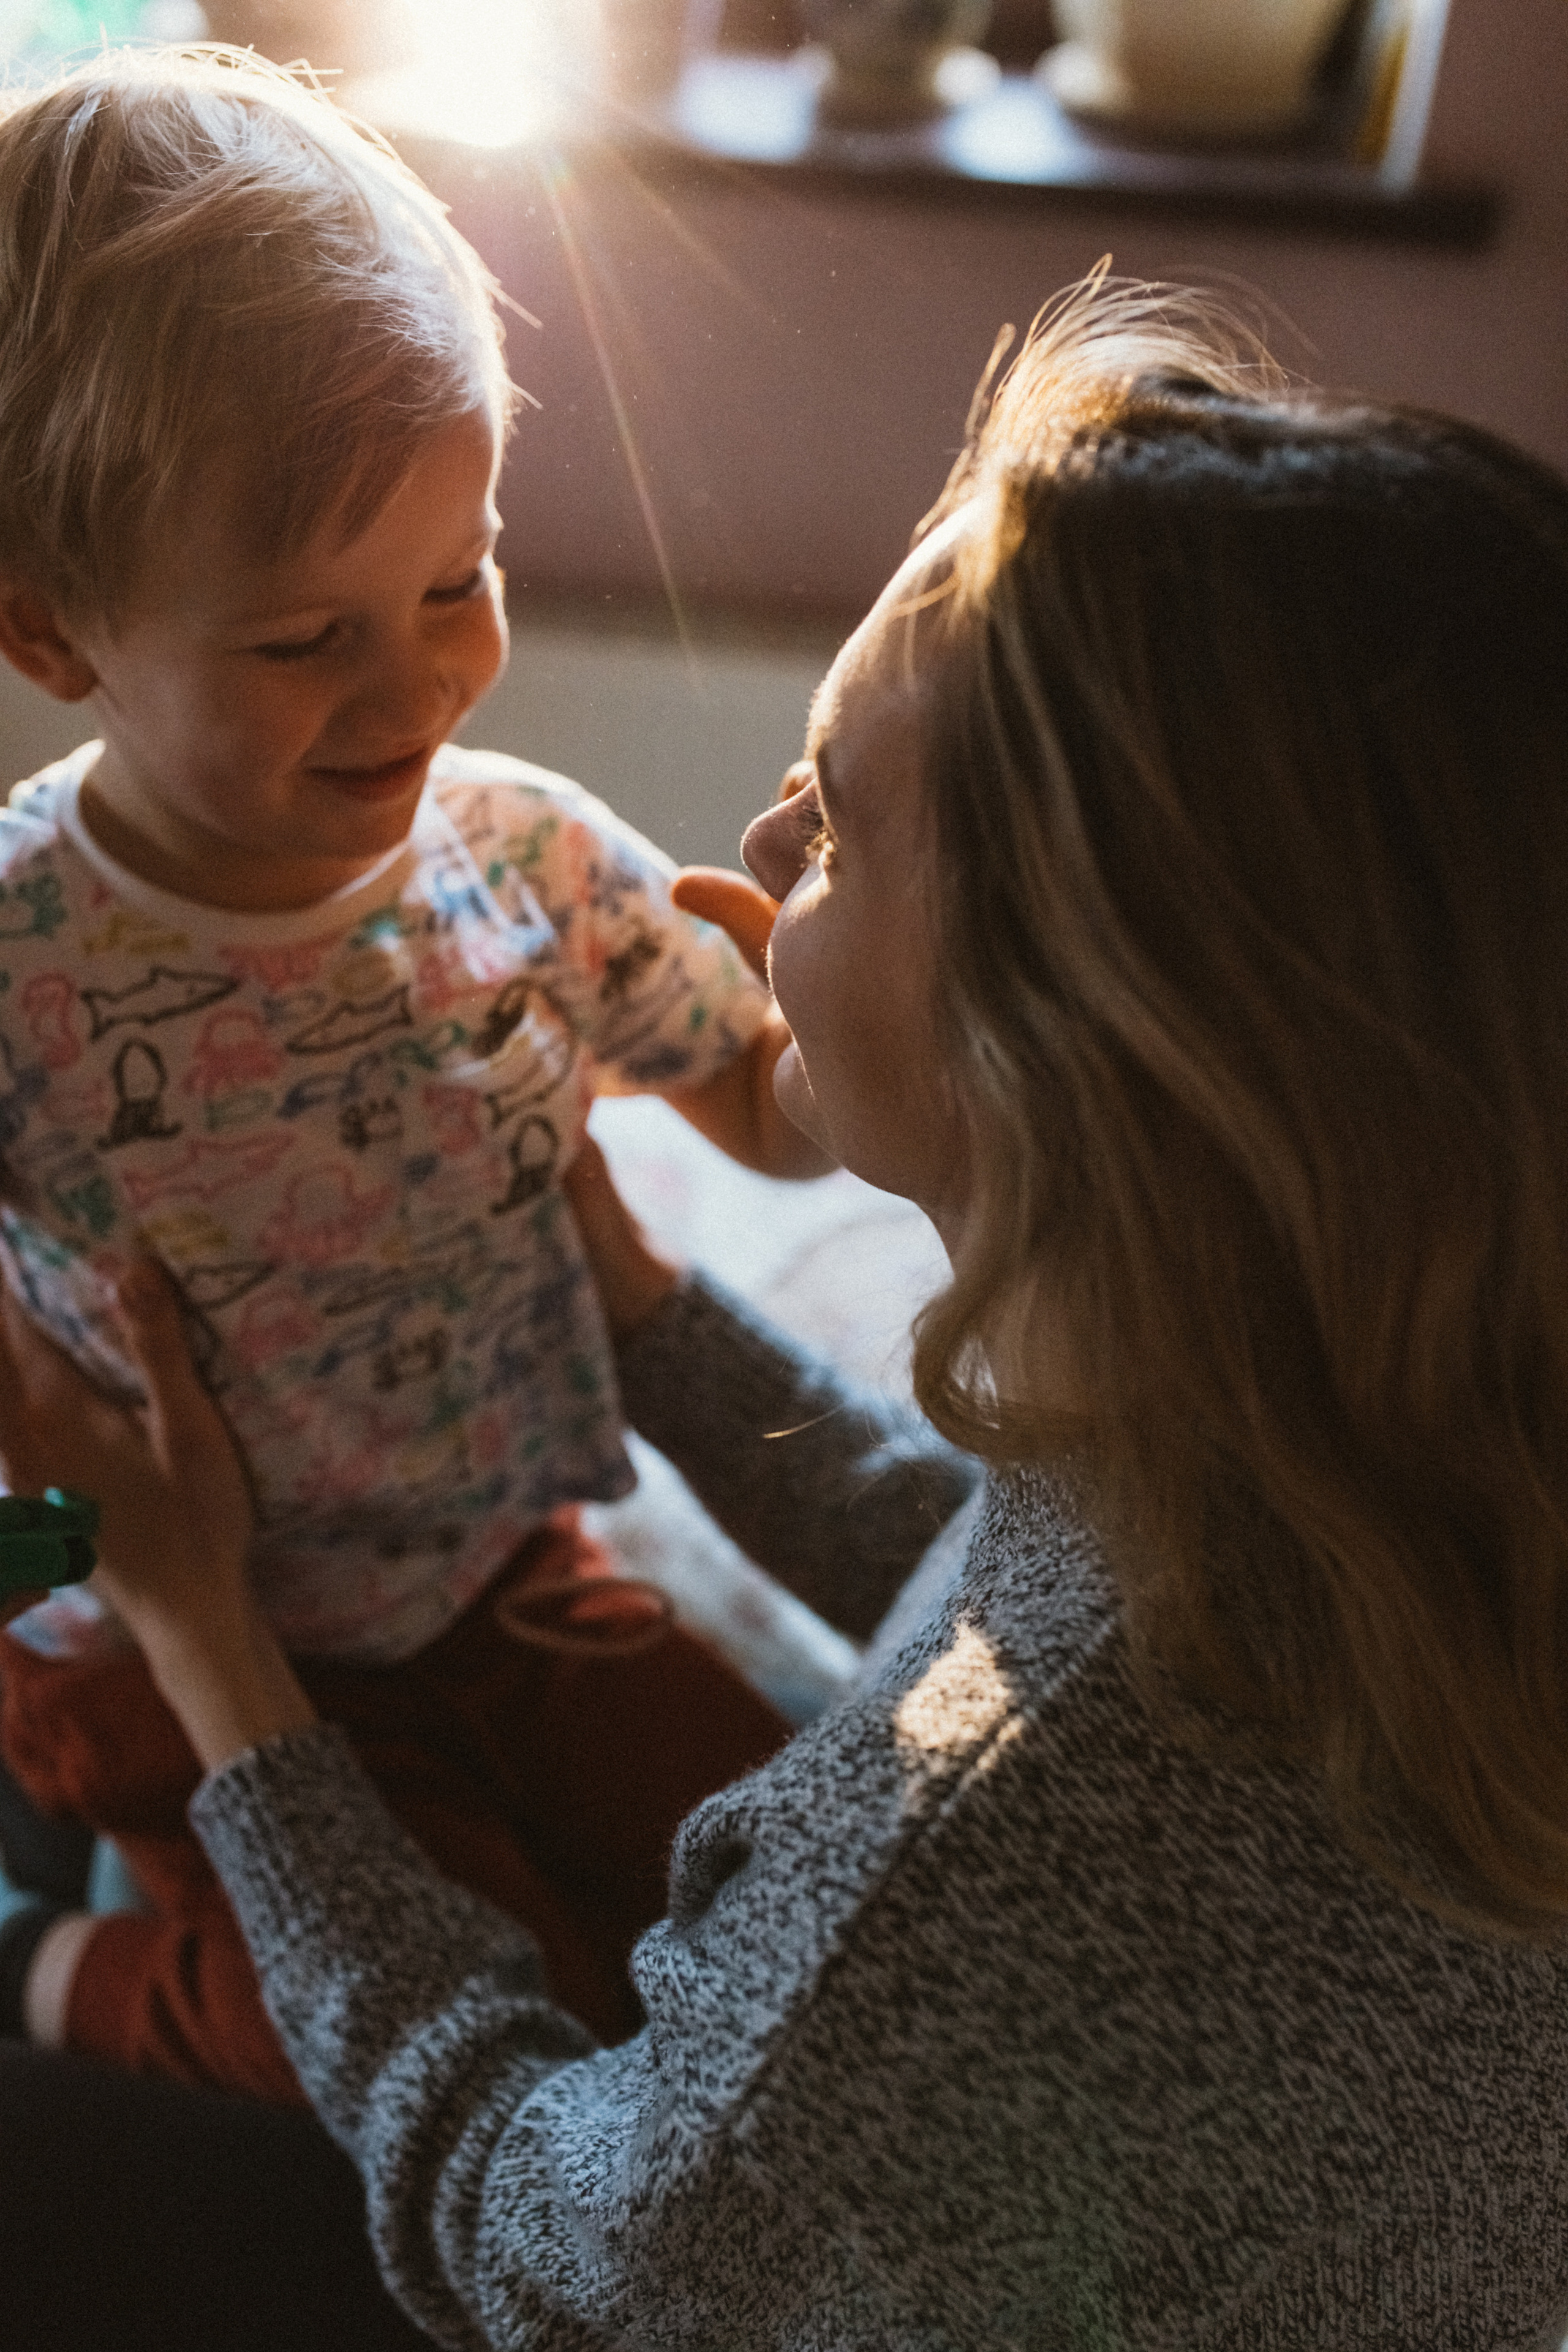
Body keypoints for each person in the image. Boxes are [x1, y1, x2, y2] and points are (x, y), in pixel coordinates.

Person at [6, 274, 1568, 2348]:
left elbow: (546, 2239)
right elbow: (988, 1614)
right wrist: (640, 1309)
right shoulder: (1401, 1414)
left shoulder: (930, 1900)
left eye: (832, 822)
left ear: (1086, 1023)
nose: (747, 845)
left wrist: (212, 1641)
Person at [0, 47, 826, 2101]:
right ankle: (48, 1970)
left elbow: (776, 1119)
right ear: (49, 631)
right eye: (303, 641)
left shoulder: (527, 855)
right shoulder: (18, 957)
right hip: (176, 1655)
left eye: (458, 582)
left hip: (505, 1571)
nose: (425, 681)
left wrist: (907, 991)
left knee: (808, 1904)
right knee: (434, 2023)